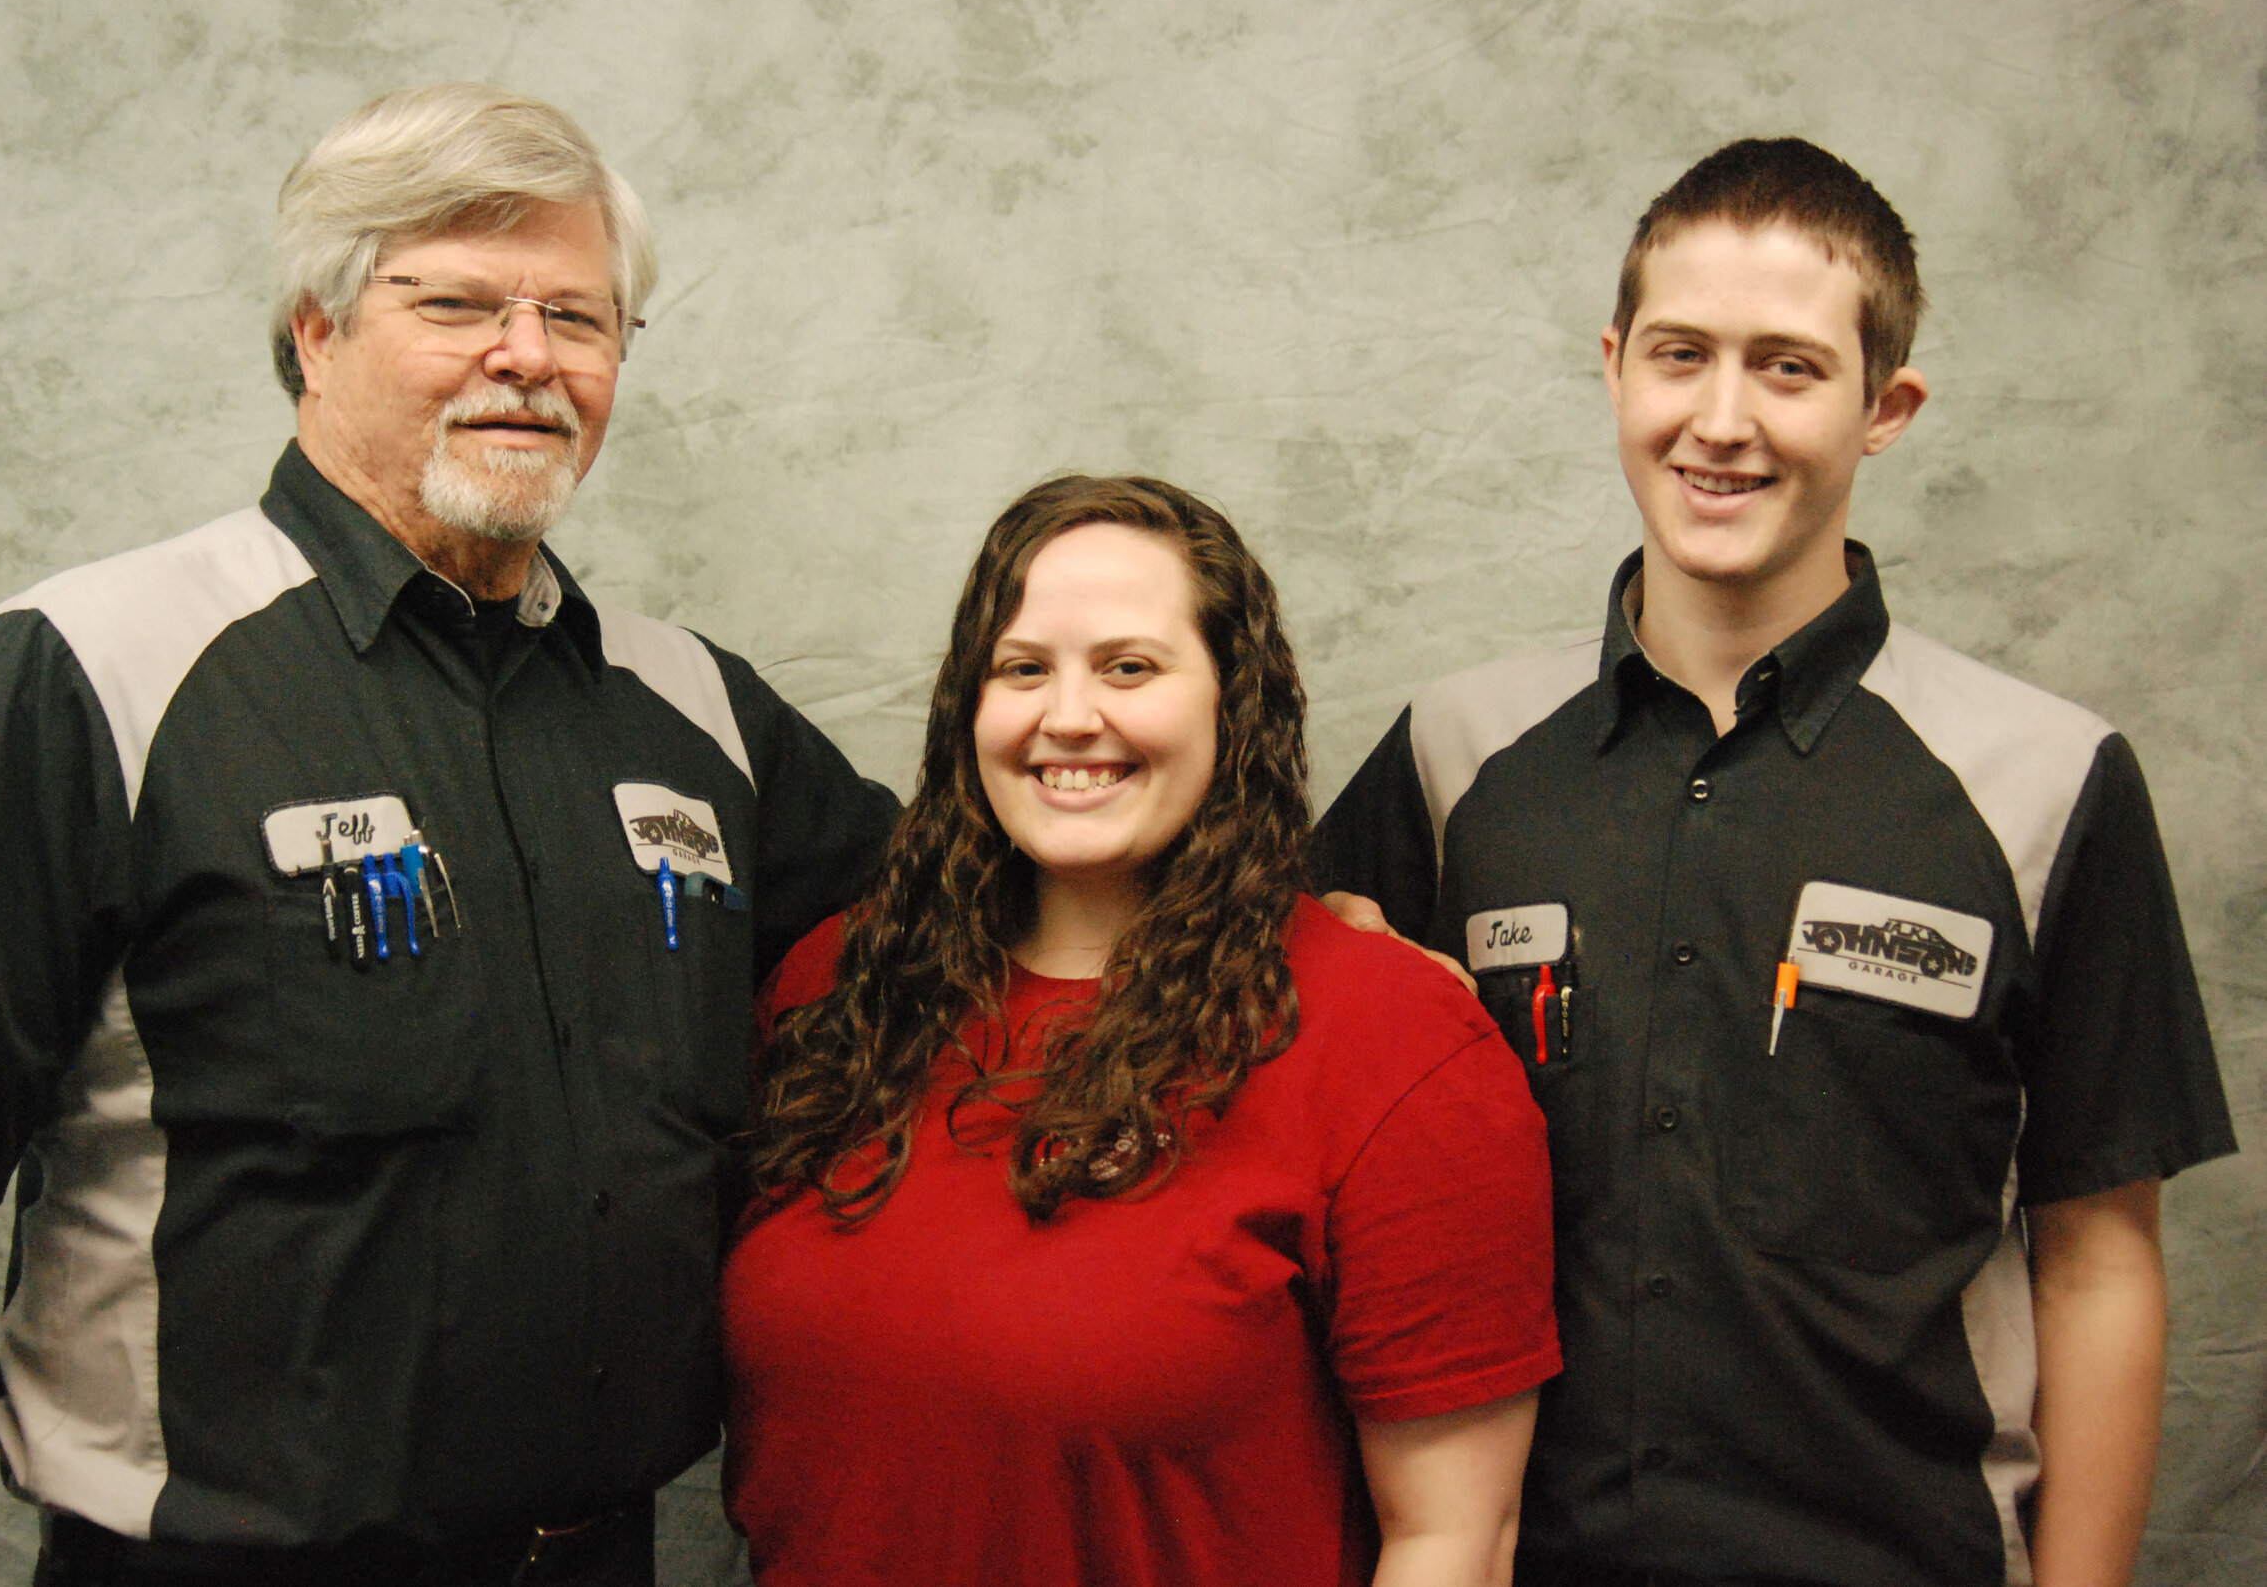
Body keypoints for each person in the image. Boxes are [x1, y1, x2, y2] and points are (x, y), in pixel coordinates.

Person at [0, 82, 898, 1587]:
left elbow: (991, 916)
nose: (528, 355)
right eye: (459, 304)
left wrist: (1311, 914)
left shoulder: (692, 710)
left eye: (580, 317)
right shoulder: (90, 673)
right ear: (317, 329)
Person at [1312, 138, 2239, 1587]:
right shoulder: (1451, 757)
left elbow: (2101, 1259)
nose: (1721, 419)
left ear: (1888, 406)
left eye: (1791, 367)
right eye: (1681, 354)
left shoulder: (2047, 781)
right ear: (1616, 365)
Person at [721, 475, 1560, 1587]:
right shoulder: (839, 989)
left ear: (1232, 703)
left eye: (1130, 667)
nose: (1068, 716)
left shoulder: (1396, 1045)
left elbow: (1451, 1542)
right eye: (1023, 668)